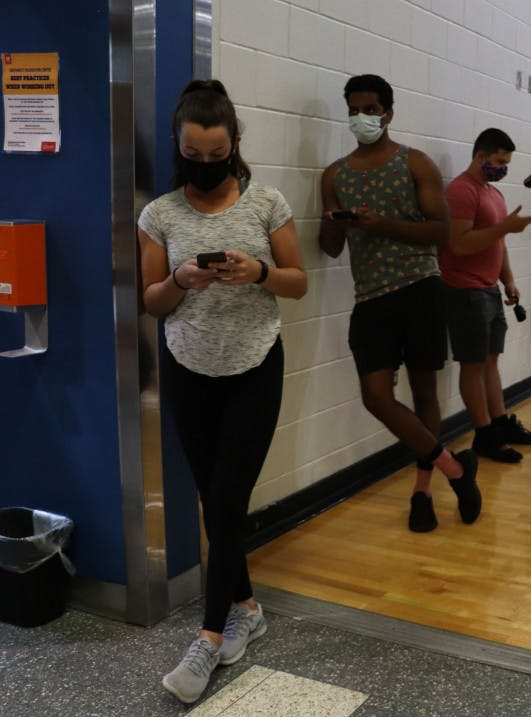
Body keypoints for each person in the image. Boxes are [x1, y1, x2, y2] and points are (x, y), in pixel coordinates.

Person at [138, 79, 308, 704]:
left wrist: (259, 271)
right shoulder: (158, 214)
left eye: (216, 155)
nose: (204, 166)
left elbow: (298, 284)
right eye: (193, 155)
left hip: (255, 367)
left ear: (235, 144)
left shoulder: (268, 203)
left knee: (227, 503)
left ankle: (208, 640)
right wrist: (182, 278)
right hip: (187, 369)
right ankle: (246, 606)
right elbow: (151, 302)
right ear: (179, 146)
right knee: (216, 502)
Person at [318, 74, 480, 534]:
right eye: (353, 110)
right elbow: (329, 247)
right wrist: (335, 223)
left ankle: (422, 492)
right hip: (370, 297)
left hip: (419, 288)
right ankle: (455, 467)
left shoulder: (416, 164)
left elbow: (441, 233)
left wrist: (381, 224)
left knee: (424, 393)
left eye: (369, 109)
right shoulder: (334, 175)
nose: (360, 118)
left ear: (389, 112)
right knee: (376, 397)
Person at [440, 128, 531, 463]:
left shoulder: (493, 194)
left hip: (489, 289)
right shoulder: (461, 191)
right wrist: (504, 228)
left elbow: (497, 242)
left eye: (507, 163)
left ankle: (500, 422)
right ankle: (484, 435)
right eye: (499, 161)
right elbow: (459, 243)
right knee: (473, 365)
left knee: (491, 361)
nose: (503, 168)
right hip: (464, 290)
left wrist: (508, 280)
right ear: (481, 156)